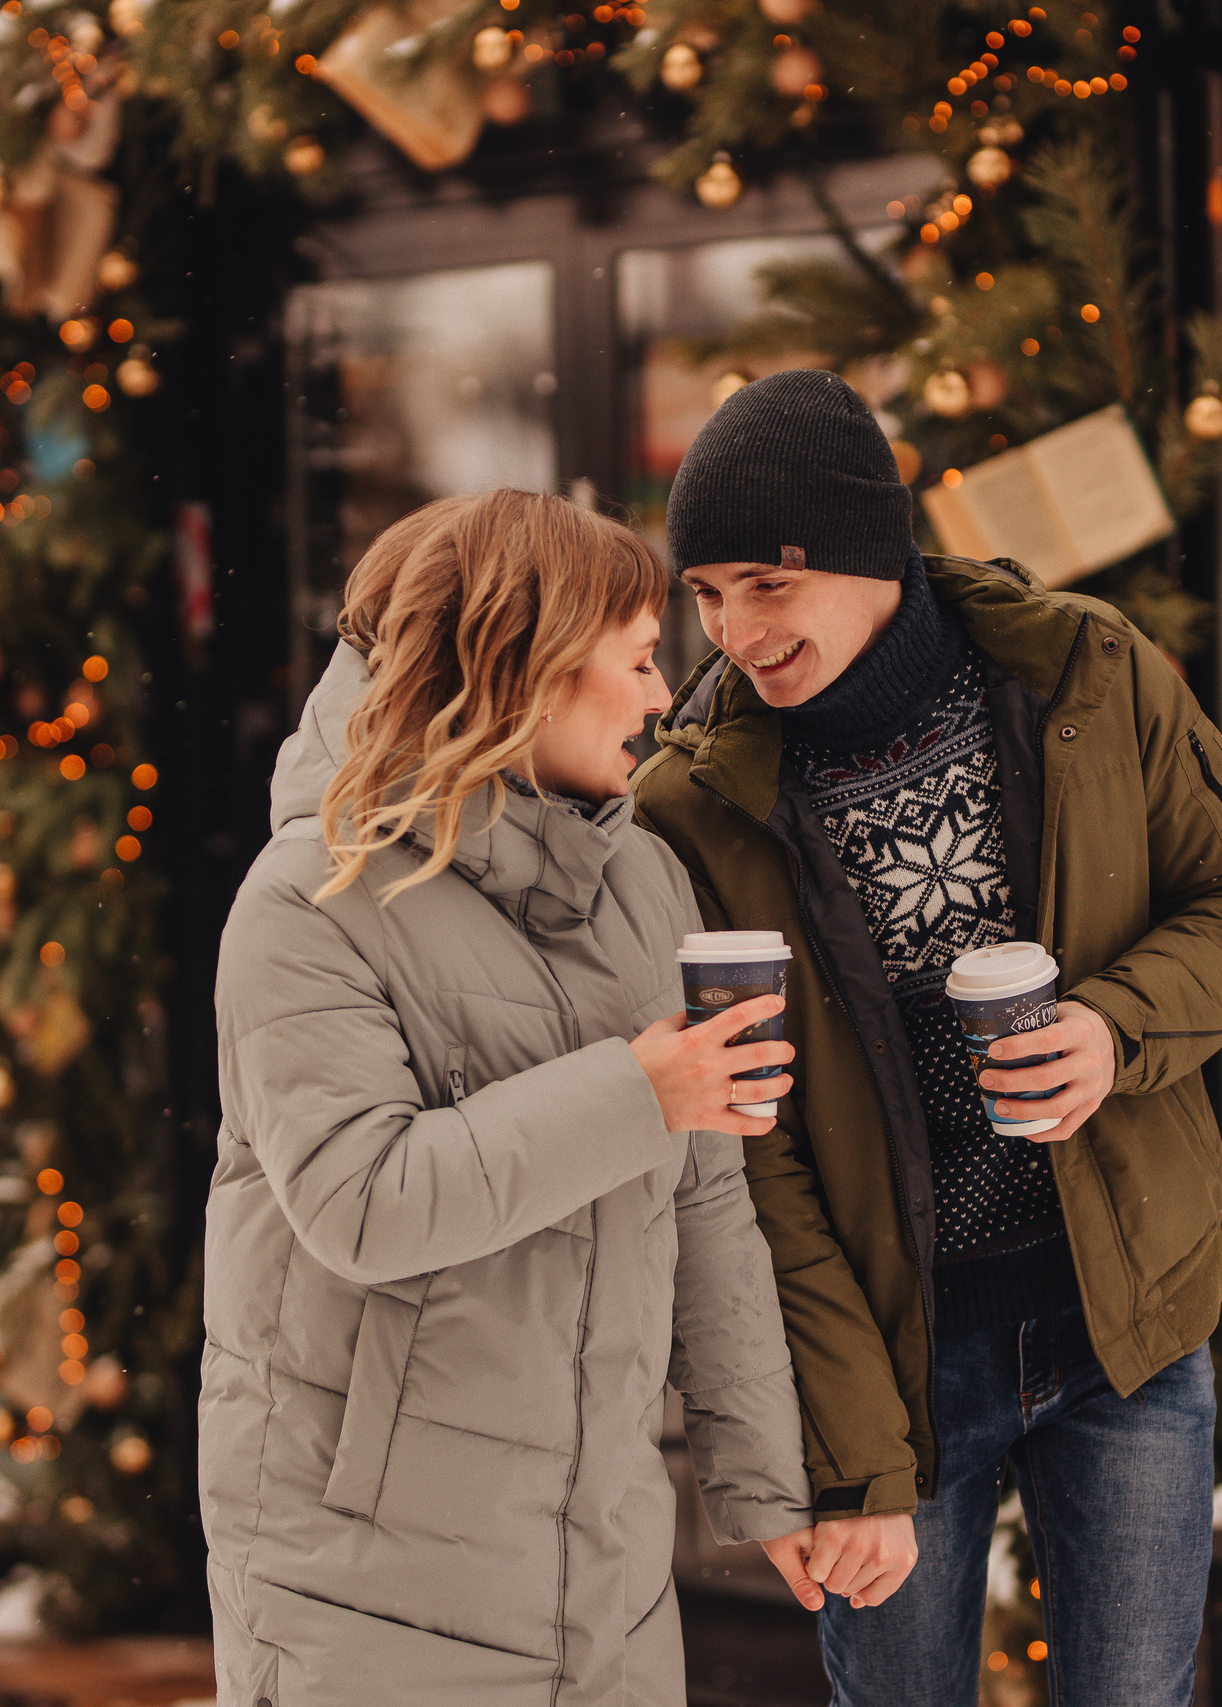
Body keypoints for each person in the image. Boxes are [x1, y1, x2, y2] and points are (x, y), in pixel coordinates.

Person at [631, 371, 1222, 1706]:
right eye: (707, 594)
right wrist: (850, 1448)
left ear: (870, 549)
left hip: (1125, 1319)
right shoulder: (693, 805)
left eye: (768, 582)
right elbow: (754, 1163)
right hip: (895, 1356)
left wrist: (1115, 1027)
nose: (733, 630)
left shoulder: (1086, 673)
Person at [204, 489, 821, 1707]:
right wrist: (636, 1092)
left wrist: (764, 1488)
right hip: (364, 1593)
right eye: (640, 660)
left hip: (606, 1580)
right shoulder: (306, 902)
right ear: (524, 672)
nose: (662, 696)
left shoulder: (642, 879)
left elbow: (706, 1210)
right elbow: (361, 1203)